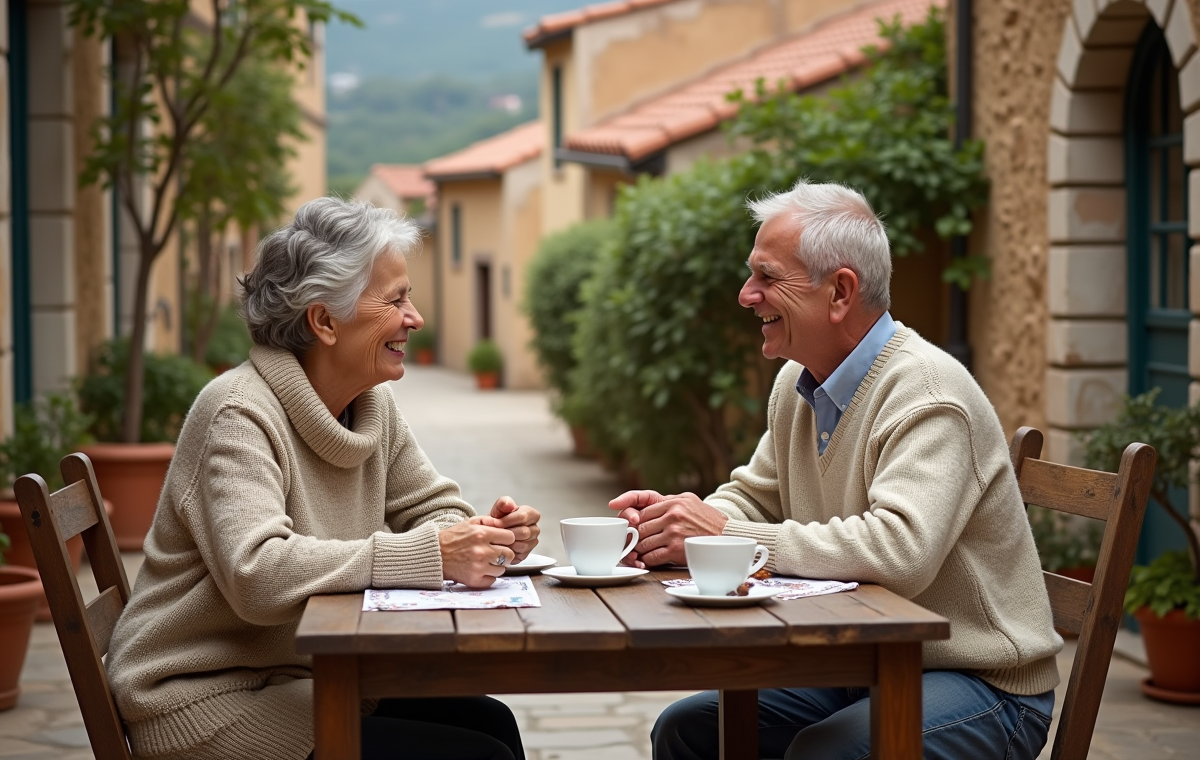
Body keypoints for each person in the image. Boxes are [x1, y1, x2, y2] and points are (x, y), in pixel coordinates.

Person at [610, 181, 1062, 760]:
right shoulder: (797, 384)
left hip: (983, 683)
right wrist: (672, 526)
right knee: (690, 727)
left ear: (840, 292)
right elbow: (755, 498)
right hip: (863, 665)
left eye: (768, 277)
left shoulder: (927, 393)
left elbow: (900, 552)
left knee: (826, 752)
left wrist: (725, 537)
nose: (747, 295)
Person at [106, 198, 537, 760]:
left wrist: (484, 538)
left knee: (492, 723)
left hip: (300, 676)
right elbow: (257, 573)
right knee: (479, 756)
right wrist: (433, 553)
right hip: (203, 699)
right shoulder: (238, 413)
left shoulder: (369, 405)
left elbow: (434, 510)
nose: (416, 317)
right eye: (396, 299)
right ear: (324, 321)